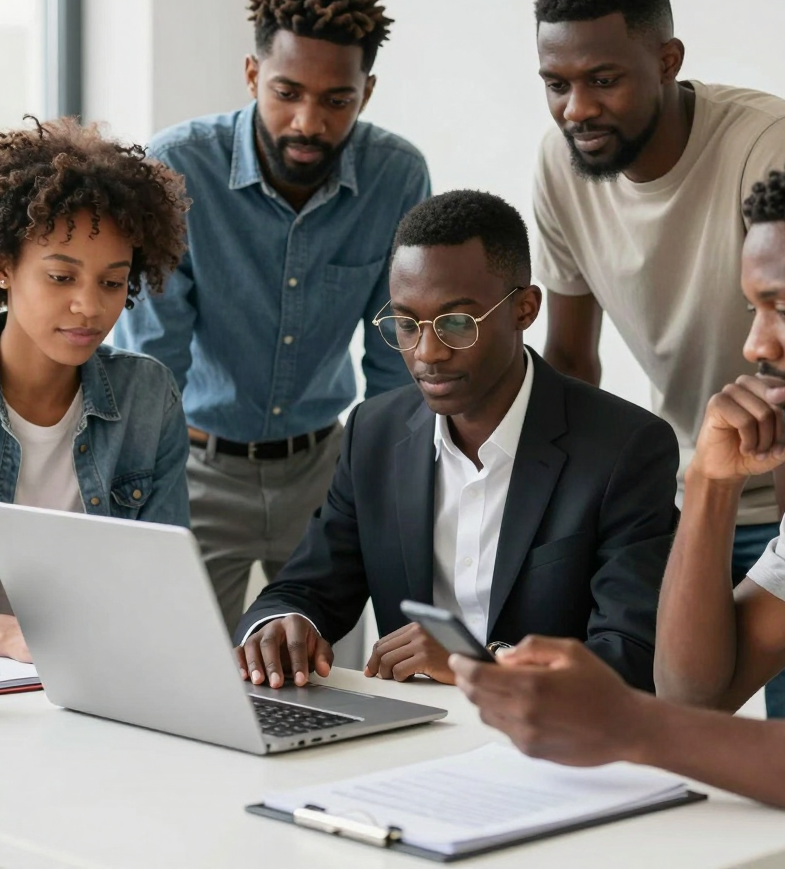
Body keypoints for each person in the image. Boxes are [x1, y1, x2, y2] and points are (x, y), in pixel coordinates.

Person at [453, 138, 785, 869]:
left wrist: (628, 725)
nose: (756, 345)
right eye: (753, 308)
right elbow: (696, 693)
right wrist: (710, 484)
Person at [531, 0, 785, 718]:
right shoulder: (560, 165)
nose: (577, 109)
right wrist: (567, 534)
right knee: (665, 756)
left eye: (603, 80)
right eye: (557, 85)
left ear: (666, 60)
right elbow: (571, 362)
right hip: (682, 501)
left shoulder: (771, 143)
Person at [234, 190, 679, 689]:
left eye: (456, 323)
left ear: (525, 309)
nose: (427, 353)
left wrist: (478, 665)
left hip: (557, 745)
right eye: (406, 324)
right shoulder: (373, 433)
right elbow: (308, 587)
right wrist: (281, 625)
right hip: (410, 733)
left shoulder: (626, 449)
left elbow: (634, 654)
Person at [114, 0, 431, 630]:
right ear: (254, 75)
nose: (308, 122)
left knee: (330, 693)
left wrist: (382, 492)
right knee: (180, 672)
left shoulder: (396, 176)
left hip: (324, 471)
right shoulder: (177, 167)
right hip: (195, 468)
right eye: (287, 92)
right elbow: (155, 356)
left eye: (337, 100)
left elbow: (395, 353)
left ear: (366, 93)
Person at [0, 117, 190, 661]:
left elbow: (164, 586)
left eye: (111, 282)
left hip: (98, 673)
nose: (90, 306)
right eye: (61, 277)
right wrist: (9, 636)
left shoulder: (147, 396)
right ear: (3, 266)